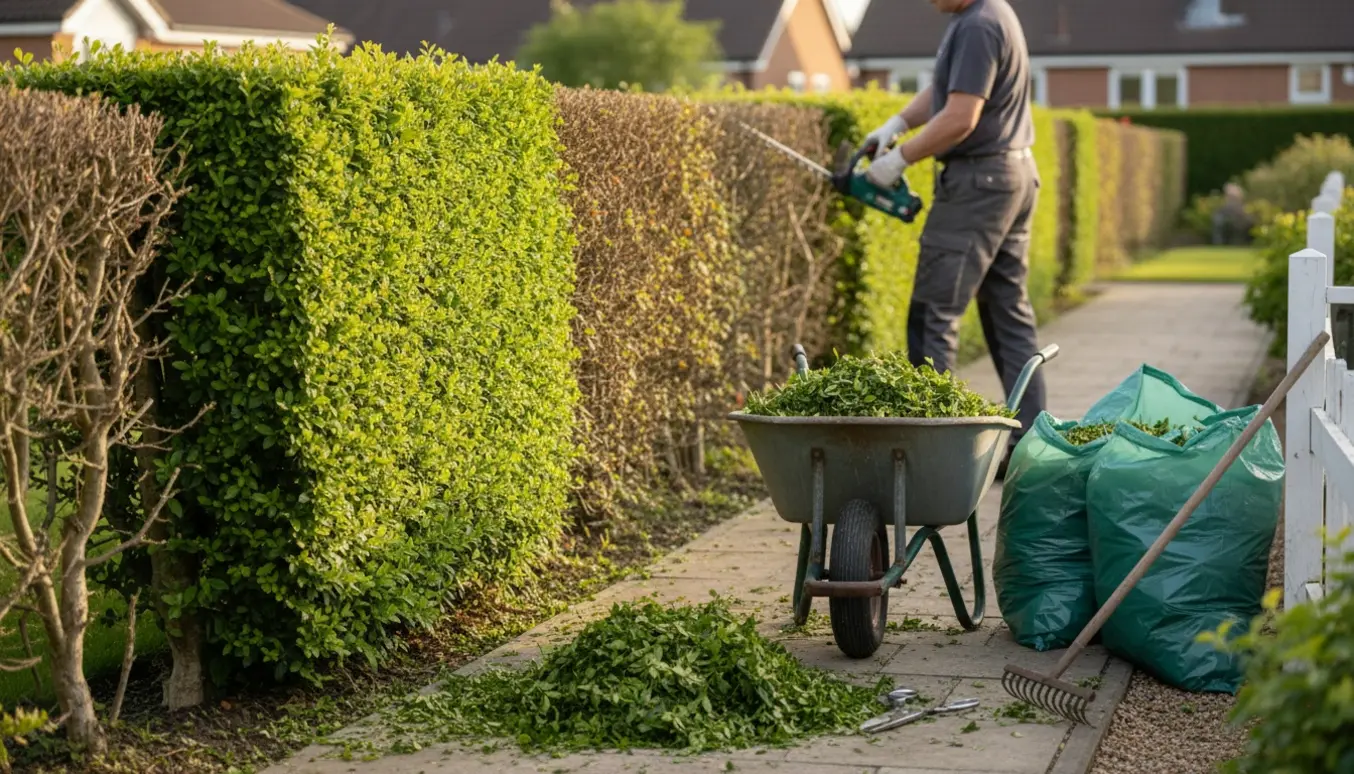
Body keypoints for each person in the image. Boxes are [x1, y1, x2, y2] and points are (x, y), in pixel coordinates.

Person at [862, 0, 1045, 475]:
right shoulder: (985, 16)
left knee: (932, 314)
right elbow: (950, 91)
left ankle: (934, 461)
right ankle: (1032, 450)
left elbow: (961, 116)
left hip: (979, 185)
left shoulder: (980, 25)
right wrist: (898, 122)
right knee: (1009, 316)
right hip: (1014, 174)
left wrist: (899, 159)